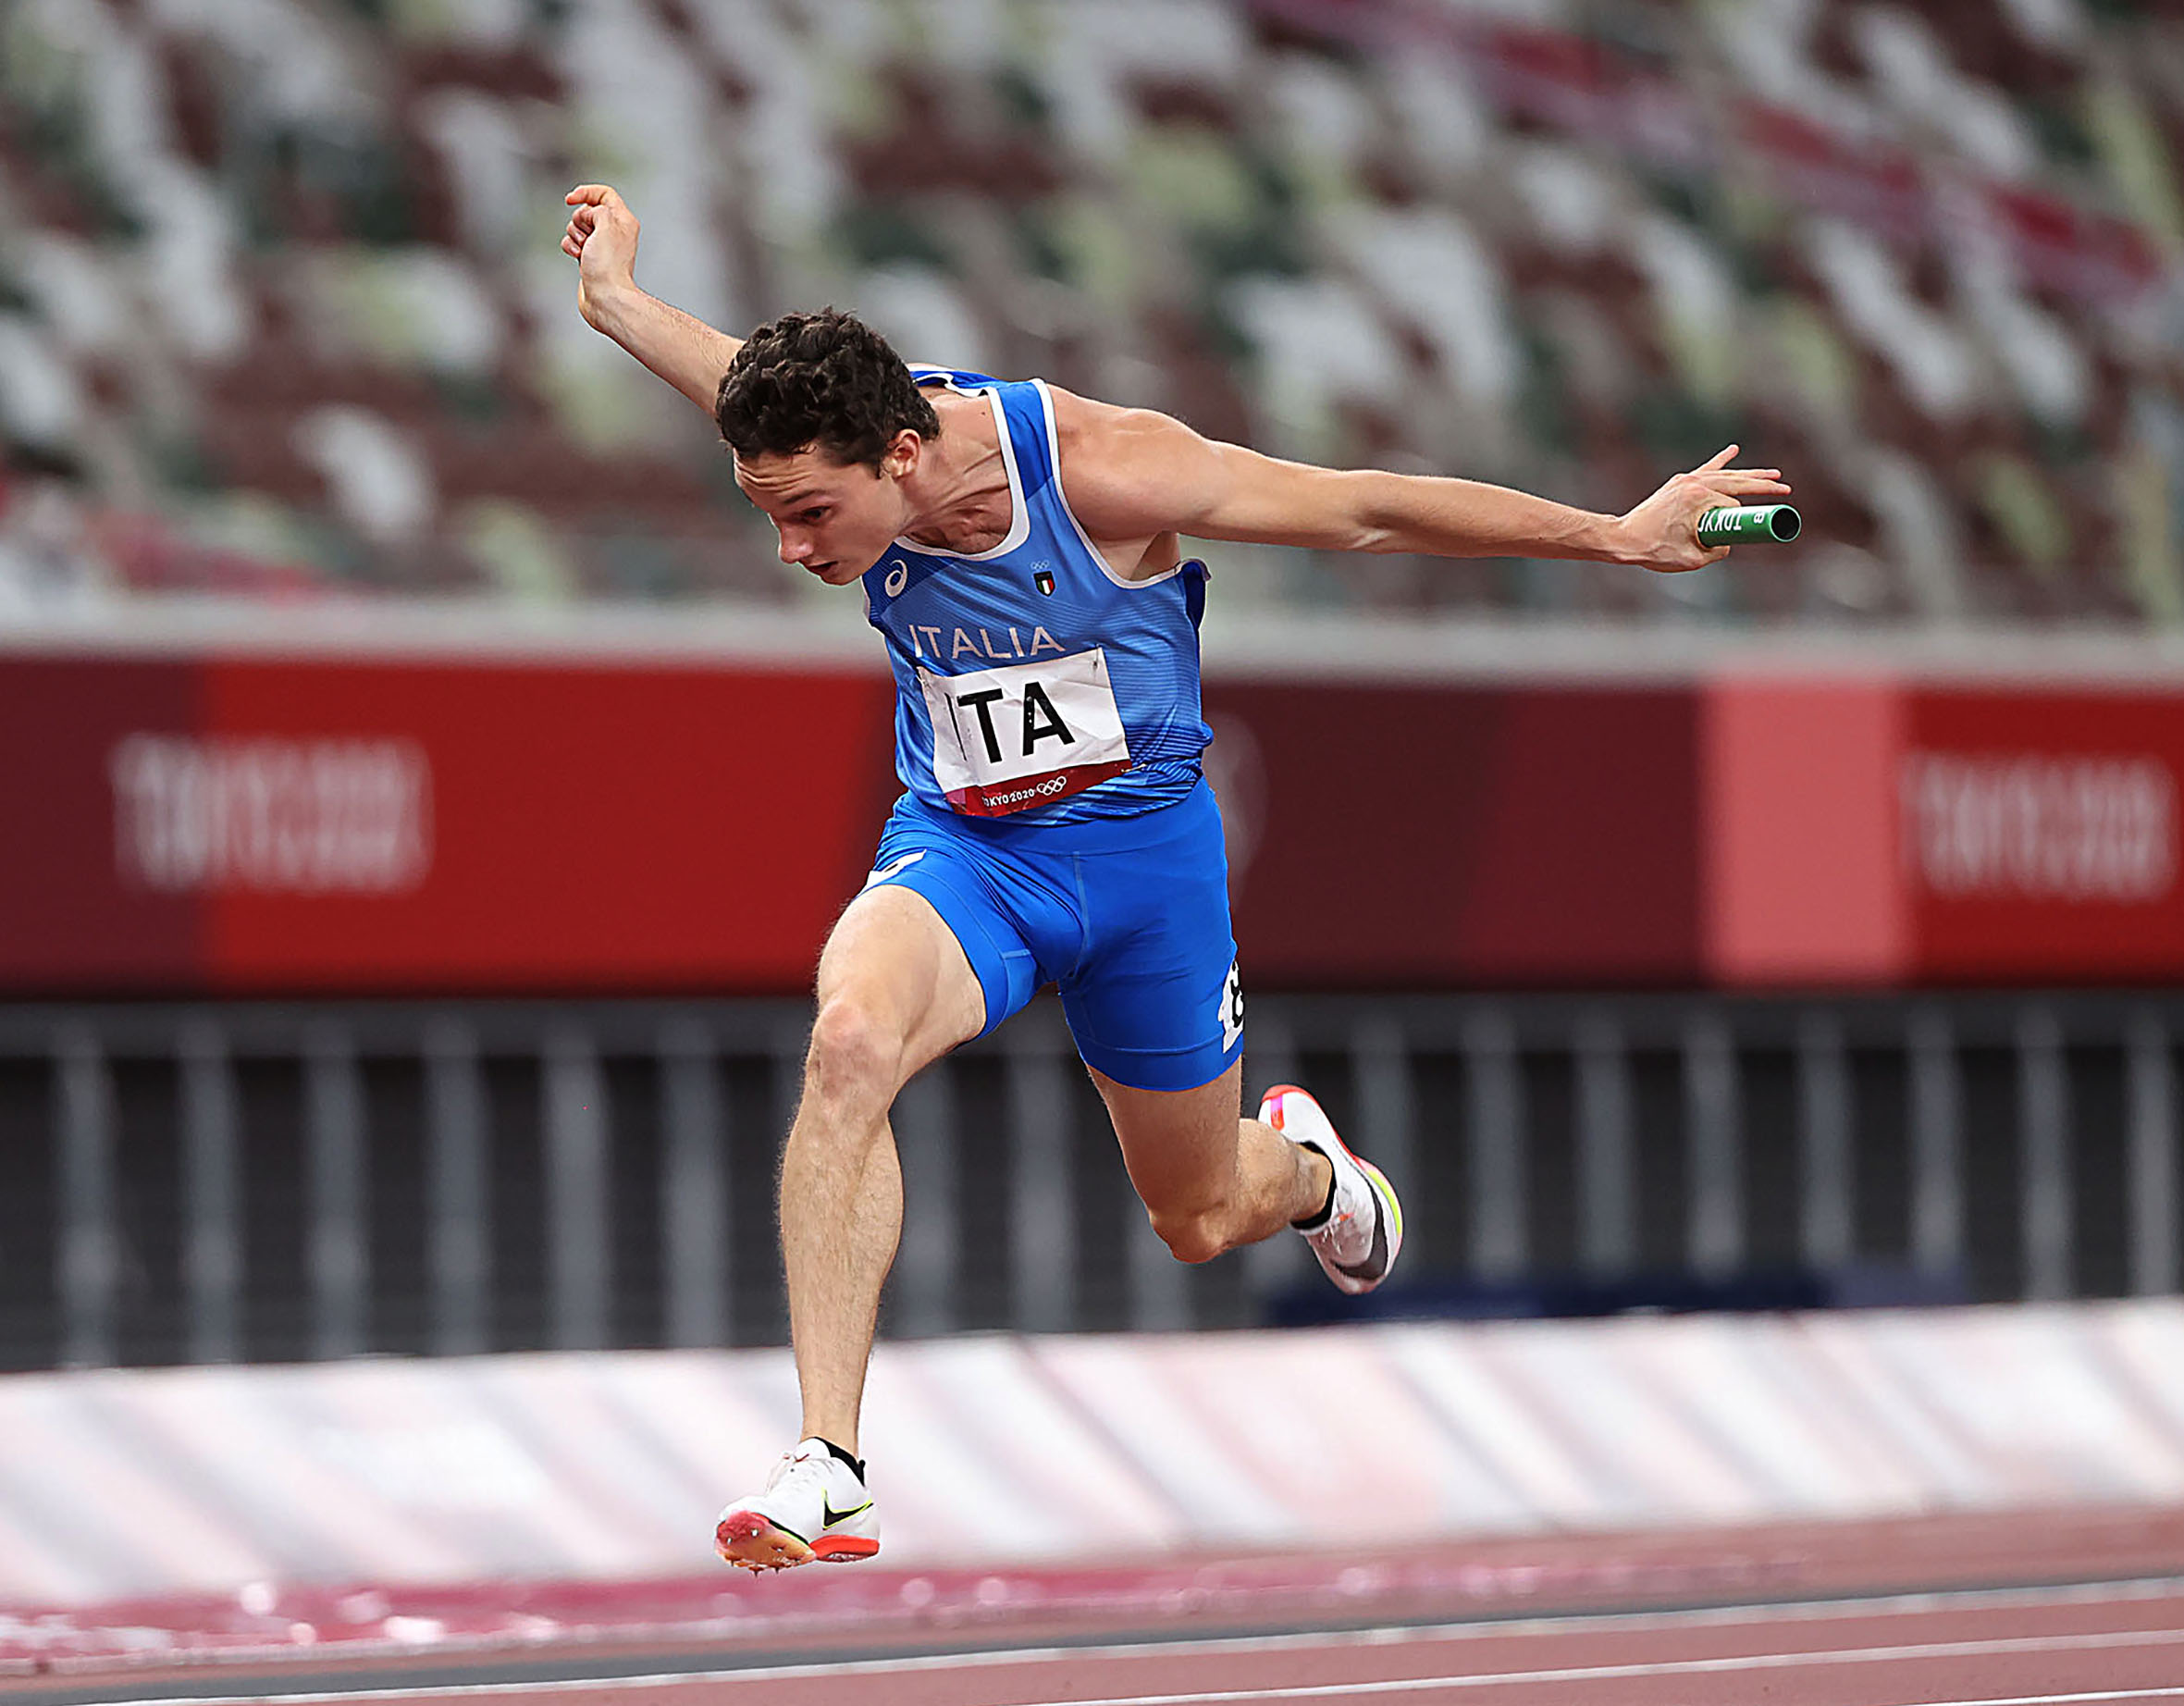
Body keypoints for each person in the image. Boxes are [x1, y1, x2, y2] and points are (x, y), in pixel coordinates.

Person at [561, 181, 1790, 1574]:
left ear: (900, 453)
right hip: (968, 852)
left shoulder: (1106, 470)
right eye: (769, 515)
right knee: (849, 1041)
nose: (792, 549)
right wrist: (613, 296)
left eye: (807, 515)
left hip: (1145, 868)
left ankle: (1314, 1178)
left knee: (1199, 1218)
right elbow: (713, 361)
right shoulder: (813, 424)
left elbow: (1364, 509)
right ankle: (828, 1462)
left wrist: (1615, 533)